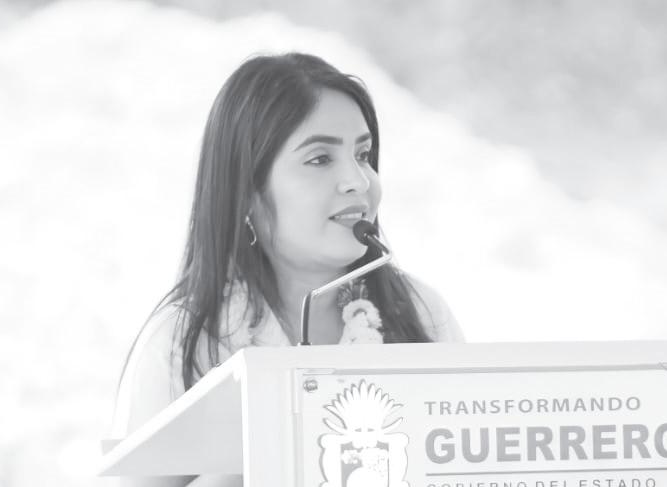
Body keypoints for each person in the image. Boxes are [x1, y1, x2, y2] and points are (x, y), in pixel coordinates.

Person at [107, 52, 463, 486]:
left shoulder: (421, 311)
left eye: (364, 154)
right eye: (320, 159)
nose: (358, 180)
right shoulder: (184, 341)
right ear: (247, 192)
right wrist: (257, 450)